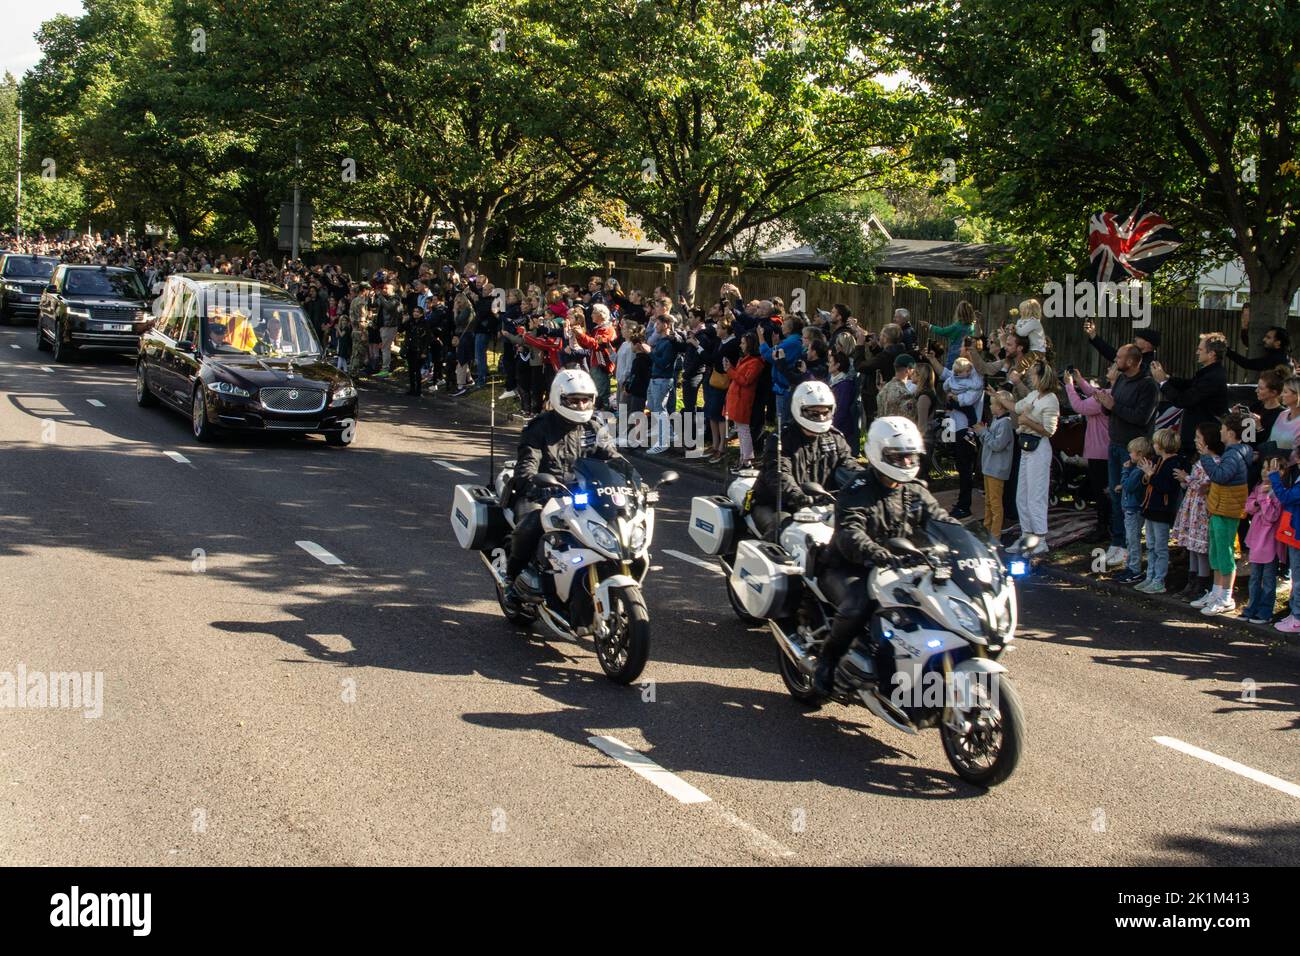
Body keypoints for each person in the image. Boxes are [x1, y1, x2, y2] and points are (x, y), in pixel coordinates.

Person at [814, 416, 957, 695]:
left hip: (900, 567)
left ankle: (915, 676)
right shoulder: (857, 489)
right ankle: (827, 662)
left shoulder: (915, 491)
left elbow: (943, 522)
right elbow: (850, 532)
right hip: (850, 565)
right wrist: (876, 552)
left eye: (910, 457)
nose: (905, 464)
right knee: (859, 605)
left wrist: (966, 543)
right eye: (897, 457)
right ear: (878, 454)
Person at [502, 369, 626, 610]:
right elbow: (527, 464)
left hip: (583, 495)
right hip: (544, 491)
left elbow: (613, 458)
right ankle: (512, 577)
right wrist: (536, 485)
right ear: (559, 398)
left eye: (585, 399)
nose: (580, 405)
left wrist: (632, 482)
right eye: (573, 400)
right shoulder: (539, 427)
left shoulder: (594, 426)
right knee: (532, 523)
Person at [749, 380, 859, 538]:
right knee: (781, 531)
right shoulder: (781, 437)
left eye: (825, 412)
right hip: (775, 503)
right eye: (814, 413)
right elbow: (779, 474)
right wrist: (799, 496)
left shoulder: (835, 438)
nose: (820, 417)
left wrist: (868, 482)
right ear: (799, 409)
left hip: (821, 505)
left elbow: (849, 466)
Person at [1095, 344, 1160, 568]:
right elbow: (1113, 408)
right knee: (1114, 493)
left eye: (1120, 357)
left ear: (1132, 361)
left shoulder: (1148, 385)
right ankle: (1117, 542)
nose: (1116, 359)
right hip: (1114, 444)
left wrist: (1114, 405)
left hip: (1133, 449)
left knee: (1130, 497)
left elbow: (1141, 417)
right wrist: (1105, 404)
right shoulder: (1121, 380)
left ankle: (1131, 548)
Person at [1195, 413, 1253, 616]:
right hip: (1218, 507)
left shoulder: (1233, 454)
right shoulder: (1232, 452)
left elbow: (1221, 475)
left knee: (1224, 552)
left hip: (1227, 509)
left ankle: (1226, 597)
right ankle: (1216, 592)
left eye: (1222, 429)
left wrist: (1205, 457)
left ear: (1230, 432)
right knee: (1216, 552)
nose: (1219, 431)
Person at [1008, 361, 1060, 556]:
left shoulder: (1051, 399)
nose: (1030, 378)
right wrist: (997, 397)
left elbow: (1049, 430)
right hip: (1027, 447)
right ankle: (1026, 535)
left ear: (1042, 377)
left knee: (1035, 495)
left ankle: (1040, 539)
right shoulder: (1033, 395)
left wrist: (1027, 421)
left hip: (1040, 447)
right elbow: (1016, 407)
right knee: (1021, 495)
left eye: (1033, 375)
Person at [1150, 333, 1229, 450]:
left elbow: (1184, 400)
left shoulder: (1213, 377)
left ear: (1212, 354)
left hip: (1202, 438)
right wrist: (1167, 378)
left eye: (1200, 349)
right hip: (1196, 433)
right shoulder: (1208, 372)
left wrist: (1163, 382)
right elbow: (1189, 384)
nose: (1197, 352)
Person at [1173, 422, 1221, 601]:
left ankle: (1201, 584)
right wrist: (1185, 480)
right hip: (1193, 509)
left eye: (1198, 438)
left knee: (1201, 548)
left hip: (1202, 511)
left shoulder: (1215, 462)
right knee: (1192, 547)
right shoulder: (1201, 461)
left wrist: (1188, 478)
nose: (1195, 440)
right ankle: (1191, 582)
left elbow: (1204, 487)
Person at [1064, 368, 1113, 543]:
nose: (1109, 368)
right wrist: (1079, 379)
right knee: (1103, 490)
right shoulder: (1108, 393)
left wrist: (1069, 386)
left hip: (1099, 450)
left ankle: (1103, 528)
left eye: (1114, 365)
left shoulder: (1107, 395)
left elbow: (1080, 406)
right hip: (1103, 449)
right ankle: (1106, 526)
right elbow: (1093, 392)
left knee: (1101, 492)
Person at [1135, 428, 1182, 593]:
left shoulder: (1174, 464)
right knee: (1150, 545)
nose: (1153, 445)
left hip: (1162, 511)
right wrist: (1147, 475)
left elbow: (1166, 487)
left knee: (1160, 548)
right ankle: (1150, 576)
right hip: (1150, 509)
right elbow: (1148, 481)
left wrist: (1151, 475)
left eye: (1155, 442)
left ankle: (1159, 580)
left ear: (1162, 445)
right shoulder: (1158, 460)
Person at [1242, 455, 1285, 623]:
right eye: (1264, 468)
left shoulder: (1279, 491)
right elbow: (1249, 506)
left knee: (1268, 579)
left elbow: (1272, 516)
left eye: (1270, 469)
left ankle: (1265, 611)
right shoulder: (1258, 487)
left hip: (1270, 542)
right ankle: (1251, 607)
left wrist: (1264, 499)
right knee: (1254, 578)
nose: (1265, 472)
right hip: (1256, 539)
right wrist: (1258, 501)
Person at [1265, 450, 1300, 633]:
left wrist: (1274, 478)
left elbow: (1286, 497)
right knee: (1296, 575)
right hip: (1294, 531)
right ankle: (1294, 613)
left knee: (1298, 577)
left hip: (1298, 534)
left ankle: (1297, 617)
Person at [973, 390, 1015, 539]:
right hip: (989, 467)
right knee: (988, 501)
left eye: (992, 405)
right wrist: (981, 432)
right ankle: (986, 529)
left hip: (997, 470)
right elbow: (988, 442)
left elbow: (997, 445)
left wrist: (984, 432)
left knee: (996, 503)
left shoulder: (1005, 424)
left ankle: (995, 535)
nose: (990, 407)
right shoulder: (996, 420)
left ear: (1001, 407)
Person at [1114, 436, 1153, 584]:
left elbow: (1129, 486)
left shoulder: (1137, 471)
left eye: (1131, 452)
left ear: (1139, 453)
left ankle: (1134, 569)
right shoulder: (1138, 470)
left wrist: (1125, 470)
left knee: (1132, 540)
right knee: (1131, 539)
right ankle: (1130, 567)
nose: (1129, 455)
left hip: (1133, 510)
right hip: (1132, 509)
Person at [724, 332, 765, 470]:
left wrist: (730, 371)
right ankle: (743, 459)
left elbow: (746, 380)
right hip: (736, 397)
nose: (740, 345)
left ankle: (746, 460)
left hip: (743, 398)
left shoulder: (755, 362)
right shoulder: (745, 359)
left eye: (743, 343)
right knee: (741, 430)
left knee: (743, 430)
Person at [1228, 304, 1290, 371]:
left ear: (1277, 343)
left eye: (1268, 338)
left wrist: (1227, 351)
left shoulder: (1276, 359)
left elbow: (1247, 364)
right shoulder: (1280, 355)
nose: (1264, 339)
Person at [1085, 320, 1159, 375]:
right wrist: (1093, 335)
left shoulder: (1149, 365)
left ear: (1148, 344)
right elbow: (1111, 353)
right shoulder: (1137, 356)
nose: (1135, 339)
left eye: (1140, 338)